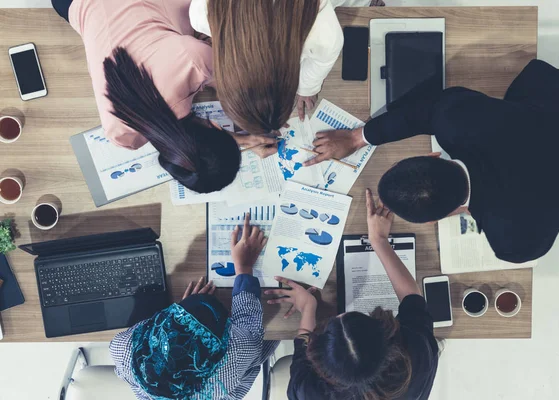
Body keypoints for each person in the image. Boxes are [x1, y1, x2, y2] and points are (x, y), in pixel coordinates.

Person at [305, 59, 559, 263]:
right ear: (431, 156)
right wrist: (358, 137)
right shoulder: (459, 120)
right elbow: (424, 111)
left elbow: (541, 239)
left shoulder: (514, 241)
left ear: (437, 218)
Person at [51, 0, 277, 194]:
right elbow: (176, 143)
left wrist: (250, 120)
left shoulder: (194, 61)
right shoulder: (121, 136)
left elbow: (227, 83)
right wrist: (240, 141)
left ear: (218, 126)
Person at [265, 189, 439, 400]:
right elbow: (413, 298)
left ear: (318, 360)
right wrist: (379, 240)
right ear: (386, 333)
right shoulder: (418, 357)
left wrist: (309, 307)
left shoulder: (307, 391)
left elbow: (301, 354)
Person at [110, 214, 278, 399]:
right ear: (224, 340)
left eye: (175, 313)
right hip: (240, 371)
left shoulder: (122, 348)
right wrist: (244, 267)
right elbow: (249, 321)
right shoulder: (238, 352)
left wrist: (179, 317)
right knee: (272, 327)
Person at [188, 0, 383, 138]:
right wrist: (306, 88)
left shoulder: (323, 36)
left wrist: (307, 88)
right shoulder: (201, 15)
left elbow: (322, 60)